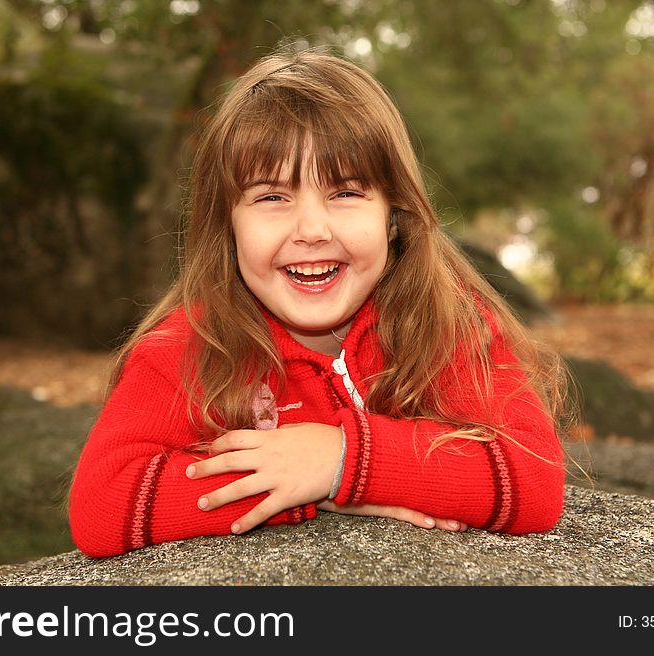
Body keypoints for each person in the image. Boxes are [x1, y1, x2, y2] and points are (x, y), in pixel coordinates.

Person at [68, 46, 570, 558]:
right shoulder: (189, 346)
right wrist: (302, 480)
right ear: (227, 224)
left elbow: (533, 476)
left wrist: (340, 460)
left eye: (345, 193)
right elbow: (102, 505)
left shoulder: (444, 323)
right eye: (271, 197)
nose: (311, 230)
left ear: (393, 214)